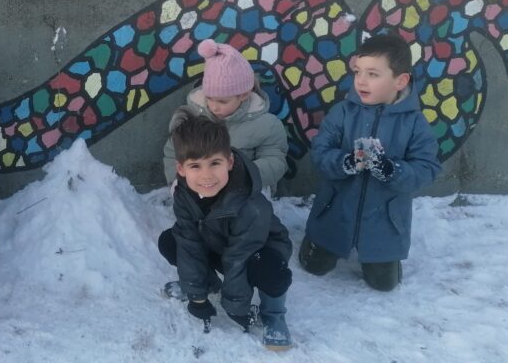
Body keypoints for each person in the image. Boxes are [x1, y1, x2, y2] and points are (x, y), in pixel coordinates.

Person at [299, 33, 441, 291]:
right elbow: (320, 152)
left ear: (400, 81)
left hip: (384, 225)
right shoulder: (343, 112)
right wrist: (345, 162)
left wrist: (392, 170)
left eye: (373, 74)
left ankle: (381, 262)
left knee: (385, 285)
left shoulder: (414, 123)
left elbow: (427, 168)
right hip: (334, 215)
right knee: (313, 267)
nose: (361, 81)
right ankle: (317, 245)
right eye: (358, 72)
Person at [159, 113, 294, 351]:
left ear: (229, 162)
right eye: (195, 166)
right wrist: (196, 295)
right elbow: (189, 241)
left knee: (271, 270)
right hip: (218, 243)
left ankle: (273, 314)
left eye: (215, 163)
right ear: (181, 169)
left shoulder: (250, 205)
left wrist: (235, 307)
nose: (206, 175)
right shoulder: (183, 193)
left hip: (257, 252)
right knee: (171, 241)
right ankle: (207, 284)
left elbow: (238, 258)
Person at [163, 40, 288, 197]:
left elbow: (275, 160)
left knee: (249, 214)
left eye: (223, 101)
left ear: (243, 95)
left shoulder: (266, 124)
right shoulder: (192, 117)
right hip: (200, 185)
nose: (214, 107)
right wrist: (178, 181)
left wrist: (243, 176)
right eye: (209, 98)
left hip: (245, 188)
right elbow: (173, 151)